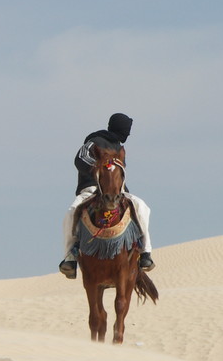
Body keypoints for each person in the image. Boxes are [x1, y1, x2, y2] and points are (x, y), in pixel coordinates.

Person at [59, 112, 154, 278]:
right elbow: (80, 159)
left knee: (142, 207)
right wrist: (98, 170)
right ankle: (70, 257)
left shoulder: (120, 148)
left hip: (119, 192)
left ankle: (145, 252)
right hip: (91, 189)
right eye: (126, 129)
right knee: (71, 213)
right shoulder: (94, 142)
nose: (128, 134)